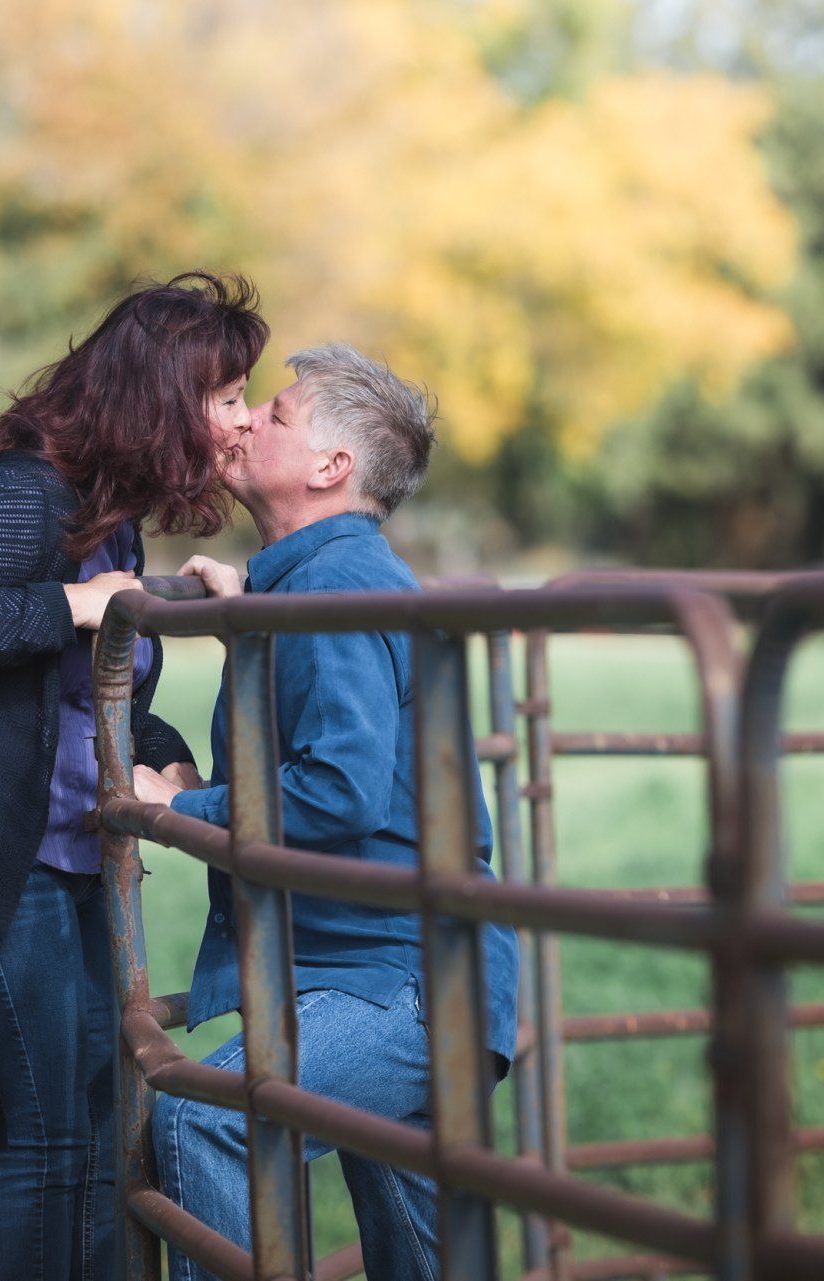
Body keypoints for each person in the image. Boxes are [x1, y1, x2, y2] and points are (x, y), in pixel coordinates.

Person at [0, 272, 268, 1280]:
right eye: (224, 398)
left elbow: (70, 689)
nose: (243, 419)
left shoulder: (104, 513)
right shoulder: (23, 495)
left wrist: (156, 736)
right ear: (162, 400)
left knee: (92, 1136)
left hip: (71, 861)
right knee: (47, 1145)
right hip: (9, 872)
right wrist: (74, 604)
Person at [134, 343, 519, 1281]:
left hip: (393, 982)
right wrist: (249, 610)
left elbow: (336, 788)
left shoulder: (337, 589)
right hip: (400, 967)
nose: (245, 419)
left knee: (207, 1119)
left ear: (330, 467)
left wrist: (188, 804)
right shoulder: (316, 580)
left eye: (274, 412)